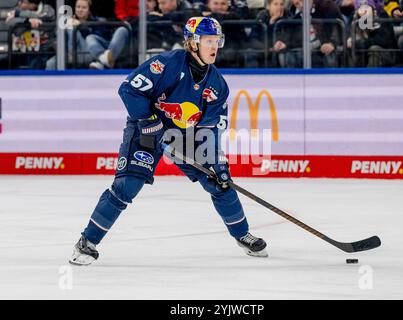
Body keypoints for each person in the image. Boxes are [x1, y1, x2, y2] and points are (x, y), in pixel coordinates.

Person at [69, 17, 268, 266]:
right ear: (192, 43)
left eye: (217, 41)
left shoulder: (217, 85)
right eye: (208, 41)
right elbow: (129, 89)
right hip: (147, 130)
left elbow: (210, 129)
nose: (214, 46)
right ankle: (87, 241)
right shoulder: (166, 64)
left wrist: (216, 163)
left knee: (221, 182)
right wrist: (149, 121)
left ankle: (242, 235)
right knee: (127, 186)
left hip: (185, 135)